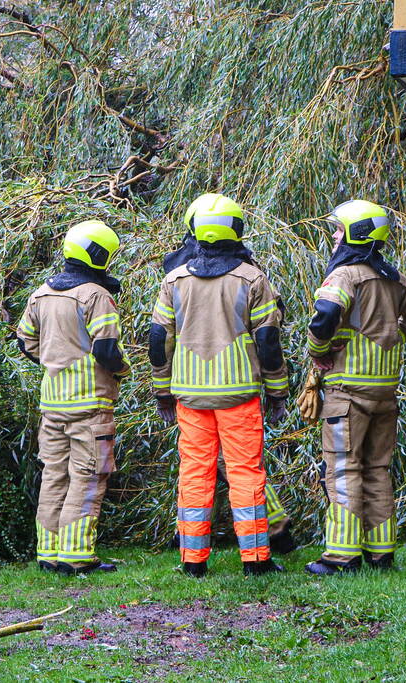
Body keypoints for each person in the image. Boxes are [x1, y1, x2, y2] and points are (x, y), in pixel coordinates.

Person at [150, 193, 289, 577]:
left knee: (195, 473)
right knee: (245, 474)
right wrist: (277, 391)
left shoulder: (173, 280)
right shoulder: (252, 279)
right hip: (239, 397)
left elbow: (158, 340)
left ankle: (193, 561)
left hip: (190, 397)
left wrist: (162, 390)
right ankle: (256, 560)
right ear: (236, 229)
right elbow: (268, 342)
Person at [304, 200, 406, 575]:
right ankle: (382, 553)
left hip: (348, 391)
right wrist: (397, 335)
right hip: (385, 391)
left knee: (344, 469)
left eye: (339, 229)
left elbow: (323, 318)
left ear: (355, 234)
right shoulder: (394, 278)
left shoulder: (344, 275)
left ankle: (341, 557)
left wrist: (320, 353)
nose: (333, 235)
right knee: (379, 467)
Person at [17, 220, 130, 575]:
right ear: (98, 255)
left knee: (54, 476)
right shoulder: (96, 296)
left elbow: (25, 341)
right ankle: (77, 555)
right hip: (90, 404)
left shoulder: (41, 293)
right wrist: (123, 370)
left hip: (52, 404)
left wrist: (55, 361)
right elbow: (108, 349)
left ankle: (48, 553)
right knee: (87, 476)